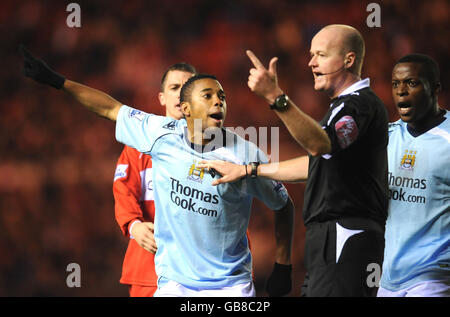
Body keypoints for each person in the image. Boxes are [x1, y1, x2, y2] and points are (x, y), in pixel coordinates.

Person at [19, 46, 295, 297]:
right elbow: (110, 108)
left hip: (229, 285)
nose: (218, 102)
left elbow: (283, 205)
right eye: (208, 95)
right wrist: (58, 81)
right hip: (173, 283)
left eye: (222, 97)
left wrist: (283, 266)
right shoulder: (159, 135)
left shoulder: (245, 153)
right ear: (184, 107)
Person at [199, 24, 389, 296]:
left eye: (321, 55)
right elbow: (317, 164)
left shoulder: (359, 104)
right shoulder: (343, 107)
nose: (311, 63)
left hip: (346, 234)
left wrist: (275, 98)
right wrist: (249, 169)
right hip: (332, 237)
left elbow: (318, 144)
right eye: (311, 55)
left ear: (349, 60)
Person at [113, 63, 196, 297]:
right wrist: (133, 225)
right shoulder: (138, 146)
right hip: (150, 271)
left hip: (205, 274)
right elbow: (123, 190)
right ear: (162, 97)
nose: (181, 93)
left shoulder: (219, 150)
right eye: (174, 87)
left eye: (188, 86)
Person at [377, 54, 450, 297]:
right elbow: (327, 164)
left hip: (434, 277)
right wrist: (261, 170)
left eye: (412, 83)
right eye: (395, 84)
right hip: (387, 278)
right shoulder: (386, 138)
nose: (401, 91)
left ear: (435, 88)